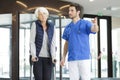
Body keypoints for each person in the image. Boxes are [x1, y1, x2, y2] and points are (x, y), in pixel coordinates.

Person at [60, 3, 99, 80]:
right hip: (72, 58)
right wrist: (63, 57)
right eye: (69, 10)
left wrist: (95, 25)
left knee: (85, 78)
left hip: (84, 58)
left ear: (78, 12)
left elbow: (95, 30)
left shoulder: (85, 23)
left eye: (72, 10)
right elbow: (66, 44)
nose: (69, 12)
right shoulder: (67, 27)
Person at [30, 7, 56, 80]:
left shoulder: (52, 26)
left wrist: (53, 56)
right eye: (40, 14)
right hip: (37, 57)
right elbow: (32, 42)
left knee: (47, 78)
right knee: (38, 78)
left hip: (48, 58)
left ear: (47, 15)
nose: (43, 16)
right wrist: (33, 55)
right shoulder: (35, 25)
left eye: (44, 13)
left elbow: (53, 43)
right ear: (38, 16)